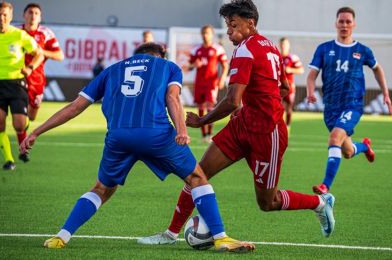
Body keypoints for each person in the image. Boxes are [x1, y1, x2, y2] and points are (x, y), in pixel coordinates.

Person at [20, 43, 255, 253]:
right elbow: (173, 98)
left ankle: (62, 236)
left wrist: (36, 131)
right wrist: (181, 129)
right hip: (157, 134)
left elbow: (75, 107)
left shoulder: (111, 70)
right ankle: (221, 238)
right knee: (197, 178)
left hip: (119, 137)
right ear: (159, 55)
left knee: (102, 188)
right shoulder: (168, 66)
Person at [137, 0, 336, 246]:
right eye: (228, 26)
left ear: (250, 23)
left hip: (267, 133)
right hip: (243, 126)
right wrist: (255, 106)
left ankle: (319, 203)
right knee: (197, 174)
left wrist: (202, 120)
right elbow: (283, 88)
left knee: (267, 202)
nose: (229, 31)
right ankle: (170, 234)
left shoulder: (245, 49)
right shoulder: (270, 47)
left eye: (233, 25)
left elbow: (232, 101)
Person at [306, 7, 392, 195]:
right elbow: (312, 75)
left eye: (348, 21)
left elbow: (377, 69)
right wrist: (311, 91)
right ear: (336, 23)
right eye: (341, 21)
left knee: (334, 138)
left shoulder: (362, 51)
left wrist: (385, 92)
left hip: (352, 105)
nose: (344, 25)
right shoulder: (324, 48)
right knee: (347, 151)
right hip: (331, 108)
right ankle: (364, 146)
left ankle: (325, 186)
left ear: (354, 24)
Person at [0, 1, 43, 170]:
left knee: (19, 124)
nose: (1, 18)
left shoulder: (19, 35)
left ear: (11, 16)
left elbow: (39, 54)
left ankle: (23, 142)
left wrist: (29, 67)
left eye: (5, 14)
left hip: (16, 84)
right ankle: (9, 159)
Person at [19, 2, 64, 162]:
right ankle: (22, 148)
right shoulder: (16, 32)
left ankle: (23, 128)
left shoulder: (46, 33)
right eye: (30, 12)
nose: (33, 15)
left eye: (36, 13)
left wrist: (40, 51)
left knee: (31, 116)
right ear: (24, 15)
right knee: (21, 114)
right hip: (18, 77)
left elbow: (60, 56)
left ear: (40, 17)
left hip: (37, 79)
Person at [184, 25, 229, 143]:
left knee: (210, 106)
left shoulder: (217, 49)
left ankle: (209, 134)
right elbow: (188, 67)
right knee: (200, 107)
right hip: (199, 82)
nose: (205, 35)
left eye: (207, 33)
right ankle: (204, 135)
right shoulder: (196, 50)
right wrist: (194, 65)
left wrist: (222, 78)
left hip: (211, 82)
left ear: (212, 34)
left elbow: (225, 65)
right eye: (203, 33)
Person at [279, 37, 304, 134]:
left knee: (289, 108)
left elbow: (301, 70)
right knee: (278, 108)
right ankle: (279, 127)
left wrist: (290, 70)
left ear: (288, 46)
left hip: (289, 87)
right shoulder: (277, 57)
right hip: (278, 87)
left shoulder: (293, 58)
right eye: (282, 44)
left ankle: (287, 127)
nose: (283, 46)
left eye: (285, 44)